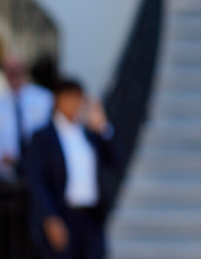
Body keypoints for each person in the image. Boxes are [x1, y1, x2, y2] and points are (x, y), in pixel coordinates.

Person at [25, 78, 116, 259]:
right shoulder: (43, 137)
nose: (75, 103)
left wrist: (103, 127)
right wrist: (50, 218)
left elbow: (114, 160)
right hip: (61, 214)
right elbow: (37, 179)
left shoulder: (90, 134)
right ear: (58, 100)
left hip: (91, 217)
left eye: (79, 98)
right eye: (70, 98)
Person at [0, 53, 55, 181]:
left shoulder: (45, 99)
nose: (13, 74)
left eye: (17, 69)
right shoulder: (1, 103)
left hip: (40, 171)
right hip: (6, 175)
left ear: (26, 70)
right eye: (9, 70)